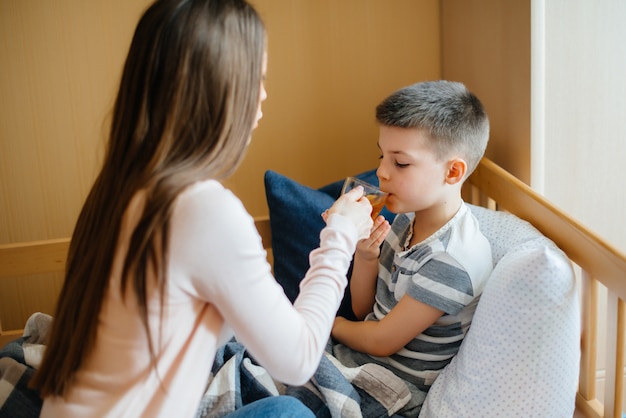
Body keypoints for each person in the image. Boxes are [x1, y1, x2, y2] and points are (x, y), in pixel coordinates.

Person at [31, 0, 374, 417]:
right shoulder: (203, 209)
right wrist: (338, 237)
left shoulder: (124, 185)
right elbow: (297, 360)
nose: (264, 94)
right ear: (218, 88)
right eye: (257, 78)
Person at [330, 80, 494, 415]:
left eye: (400, 163)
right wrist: (365, 254)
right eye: (382, 156)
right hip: (357, 361)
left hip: (390, 390)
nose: (381, 172)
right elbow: (364, 311)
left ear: (453, 171)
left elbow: (381, 340)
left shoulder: (453, 258)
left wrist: (317, 323)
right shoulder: (405, 222)